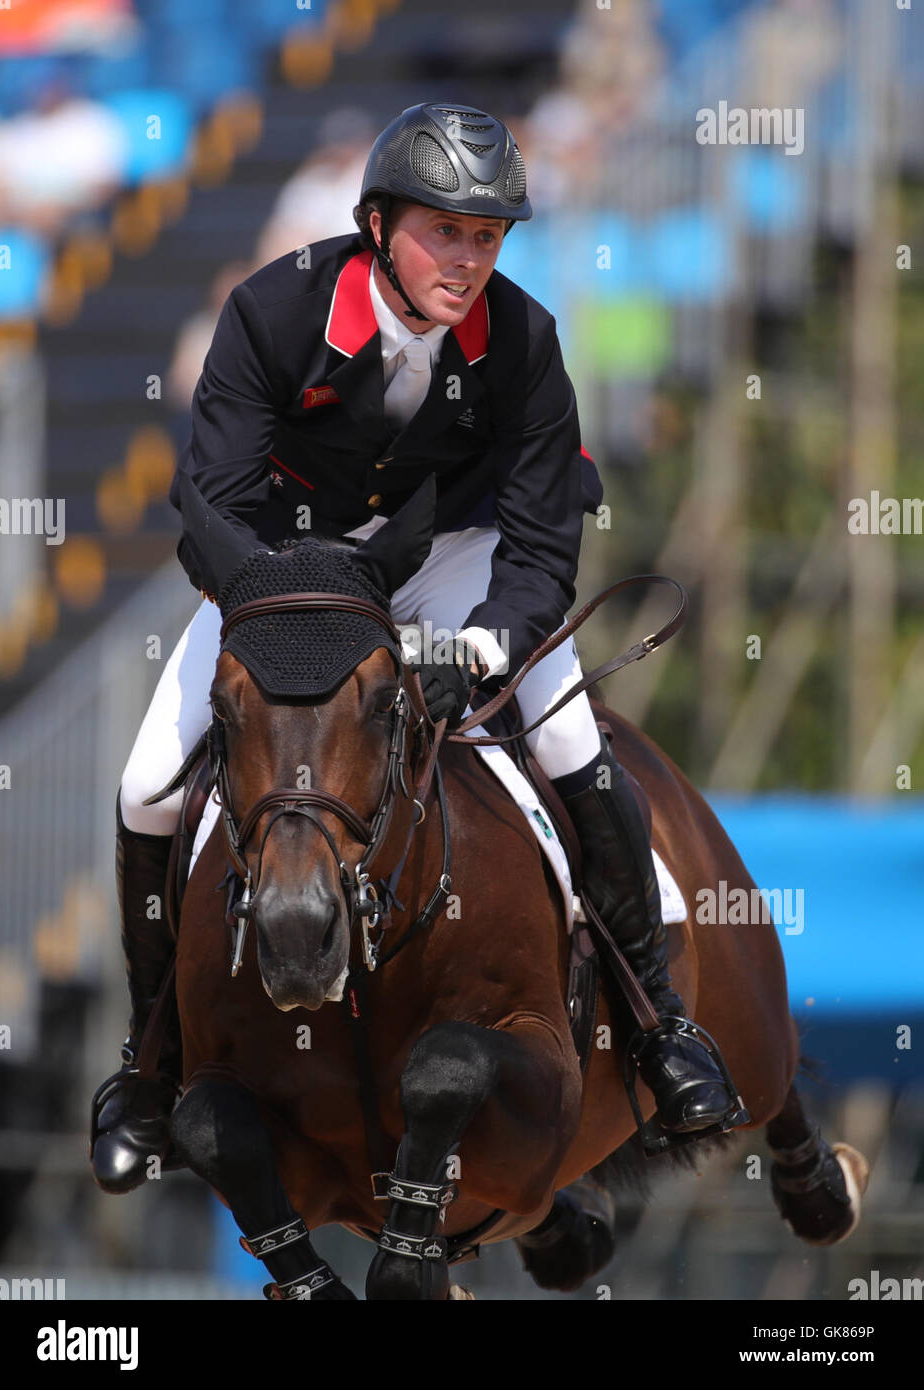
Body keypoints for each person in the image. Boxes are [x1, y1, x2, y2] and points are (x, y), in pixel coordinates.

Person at [91, 102, 742, 1194]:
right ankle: (147, 1068)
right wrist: (289, 602)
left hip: (456, 557)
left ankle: (660, 1023)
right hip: (284, 568)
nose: (468, 258)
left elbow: (541, 542)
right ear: (379, 224)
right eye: (446, 231)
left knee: (572, 737)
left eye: (486, 237)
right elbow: (208, 501)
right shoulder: (274, 310)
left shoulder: (525, 344)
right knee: (150, 783)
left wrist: (486, 651)